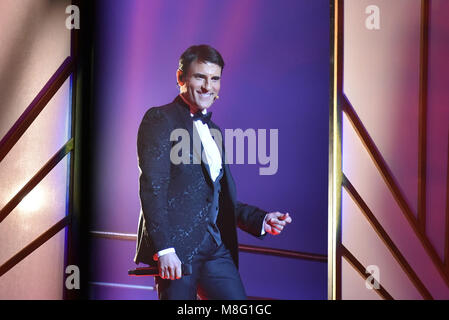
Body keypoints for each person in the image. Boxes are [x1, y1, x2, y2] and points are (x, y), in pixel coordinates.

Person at [134, 44, 292, 300]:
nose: (208, 86)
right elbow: (153, 188)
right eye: (200, 77)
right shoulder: (159, 119)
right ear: (181, 78)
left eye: (215, 79)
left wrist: (261, 220)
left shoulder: (215, 132)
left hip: (215, 248)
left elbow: (216, 196)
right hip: (178, 250)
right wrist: (165, 250)